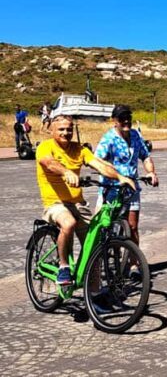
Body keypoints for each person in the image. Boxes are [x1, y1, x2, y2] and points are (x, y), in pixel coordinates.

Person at [36, 115, 136, 287]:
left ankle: (95, 294)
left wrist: (120, 177)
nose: (66, 132)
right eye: (61, 129)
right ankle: (63, 267)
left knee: (94, 246)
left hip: (78, 204)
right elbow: (49, 163)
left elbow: (99, 164)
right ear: (51, 130)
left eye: (69, 129)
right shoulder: (45, 147)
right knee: (68, 223)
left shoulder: (80, 149)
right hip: (55, 203)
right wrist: (66, 172)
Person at [94, 105, 159, 264]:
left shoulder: (135, 135)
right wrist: (112, 172)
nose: (126, 121)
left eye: (128, 118)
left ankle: (134, 264)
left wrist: (151, 172)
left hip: (131, 188)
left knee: (133, 227)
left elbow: (145, 156)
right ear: (114, 121)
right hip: (112, 189)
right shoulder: (108, 139)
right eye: (121, 118)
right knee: (106, 228)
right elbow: (96, 160)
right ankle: (105, 260)